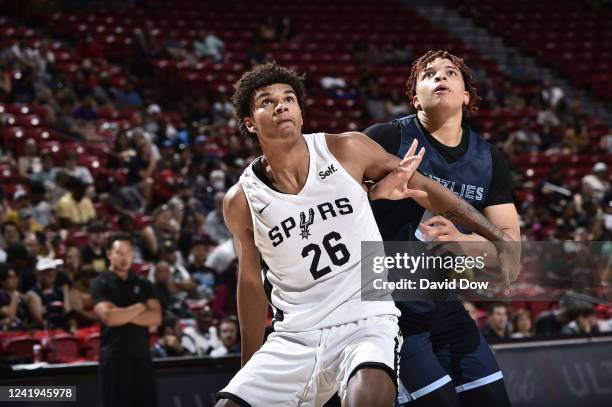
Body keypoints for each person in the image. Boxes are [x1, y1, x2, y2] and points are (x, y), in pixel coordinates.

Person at [216, 62, 516, 407]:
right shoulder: (241, 200)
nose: (281, 105)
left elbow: (427, 188)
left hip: (367, 320)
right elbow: (251, 285)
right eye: (267, 101)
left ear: (301, 110)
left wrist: (496, 237)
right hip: (295, 335)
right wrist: (247, 367)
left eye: (288, 98)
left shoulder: (345, 149)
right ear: (250, 122)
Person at [364, 50, 519, 407]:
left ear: (466, 95)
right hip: (386, 310)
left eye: (451, 73)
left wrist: (464, 241)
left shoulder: (489, 158)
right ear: (415, 96)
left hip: (444, 305)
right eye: (429, 74)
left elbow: (511, 251)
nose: (440, 77)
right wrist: (374, 192)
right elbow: (330, 202)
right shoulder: (385, 138)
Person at [91, 233, 161, 407]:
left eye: (128, 253)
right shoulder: (100, 283)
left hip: (142, 358)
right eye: (119, 252)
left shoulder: (144, 283)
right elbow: (110, 317)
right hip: (115, 359)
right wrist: (140, 307)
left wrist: (123, 314)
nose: (125, 258)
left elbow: (156, 317)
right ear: (109, 254)